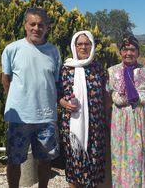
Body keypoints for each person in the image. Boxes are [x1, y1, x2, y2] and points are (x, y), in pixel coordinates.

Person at [1, 7, 61, 188]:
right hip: (19, 117)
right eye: (32, 24)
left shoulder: (53, 51)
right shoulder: (12, 49)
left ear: (47, 27)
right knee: (14, 161)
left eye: (41, 25)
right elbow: (6, 79)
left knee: (45, 160)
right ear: (25, 25)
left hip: (46, 117)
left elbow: (55, 82)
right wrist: (19, 100)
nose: (36, 28)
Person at [107, 35, 145, 187]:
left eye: (132, 49)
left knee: (144, 158)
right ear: (120, 52)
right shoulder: (111, 72)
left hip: (143, 125)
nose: (128, 53)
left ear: (138, 52)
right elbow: (107, 100)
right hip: (120, 126)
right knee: (121, 159)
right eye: (125, 49)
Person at [58, 30, 108, 188]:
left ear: (92, 46)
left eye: (87, 44)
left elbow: (106, 95)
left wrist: (107, 119)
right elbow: (56, 94)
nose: (83, 47)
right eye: (80, 44)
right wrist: (64, 104)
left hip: (96, 125)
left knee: (94, 162)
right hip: (72, 125)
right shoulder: (66, 69)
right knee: (74, 162)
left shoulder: (98, 68)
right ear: (74, 46)